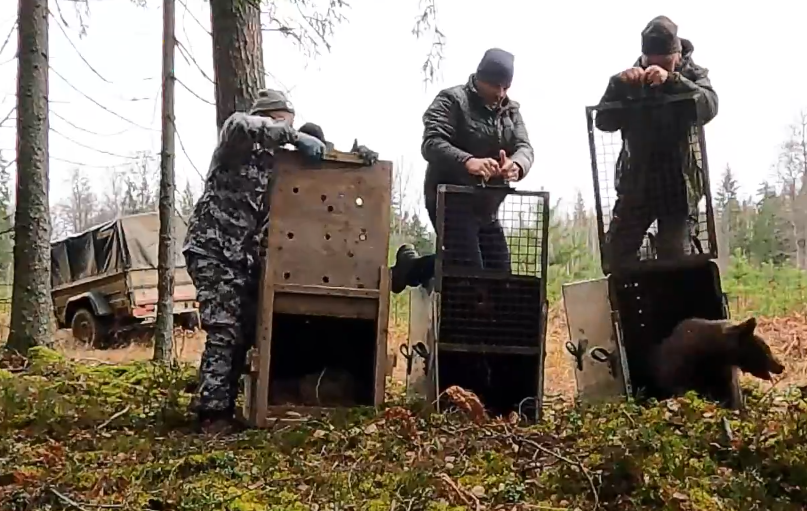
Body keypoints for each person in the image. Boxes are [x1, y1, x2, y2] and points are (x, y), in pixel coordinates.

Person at [183, 90, 375, 431]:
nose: (290, 131)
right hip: (212, 248)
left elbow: (319, 163)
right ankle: (212, 415)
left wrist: (356, 156)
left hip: (242, 256)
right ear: (270, 118)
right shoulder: (238, 140)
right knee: (225, 329)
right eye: (284, 123)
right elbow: (239, 124)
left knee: (246, 331)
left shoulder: (277, 160)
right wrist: (291, 134)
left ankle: (217, 400)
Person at [389, 48, 534, 293]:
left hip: (487, 207)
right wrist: (468, 161)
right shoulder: (452, 100)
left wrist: (517, 165)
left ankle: (411, 267)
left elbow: (525, 147)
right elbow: (432, 143)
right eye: (495, 86)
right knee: (469, 272)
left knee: (500, 274)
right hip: (450, 200)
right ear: (480, 78)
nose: (500, 94)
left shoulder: (511, 112)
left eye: (505, 87)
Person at [594, 15, 718, 271]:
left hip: (680, 187)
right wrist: (618, 88)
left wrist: (671, 81)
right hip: (638, 183)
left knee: (675, 258)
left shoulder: (693, 75)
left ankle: (677, 296)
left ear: (677, 56)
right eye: (651, 63)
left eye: (664, 63)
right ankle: (636, 291)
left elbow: (709, 107)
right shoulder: (628, 80)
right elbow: (603, 121)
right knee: (615, 255)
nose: (656, 68)